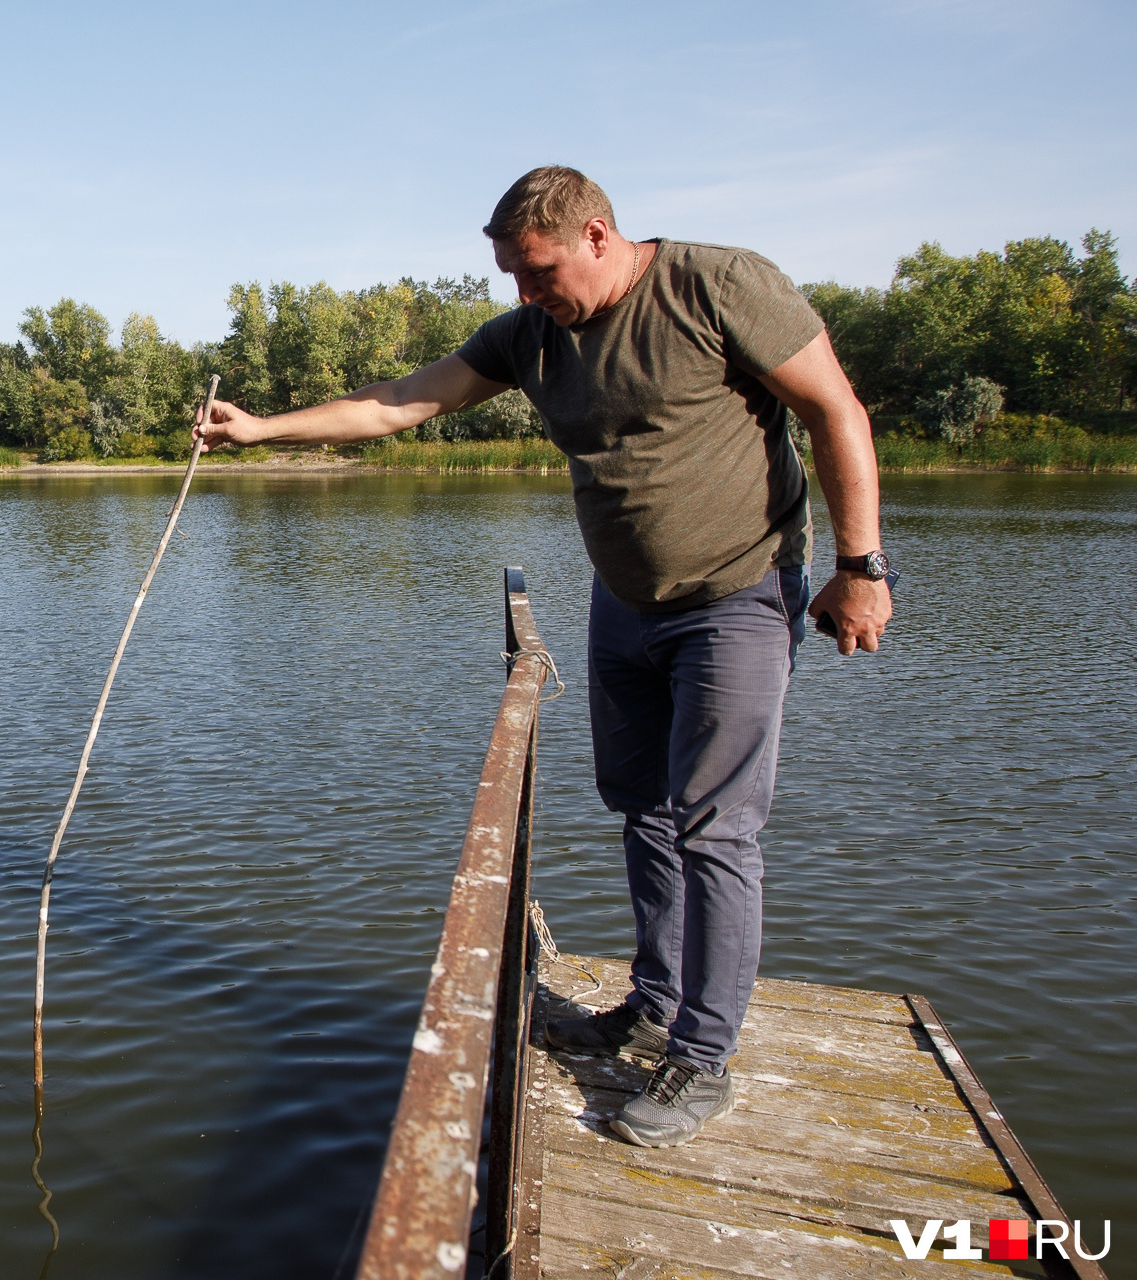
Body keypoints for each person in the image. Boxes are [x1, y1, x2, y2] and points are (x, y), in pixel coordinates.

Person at [194, 165, 894, 1149]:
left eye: (539, 270)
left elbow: (837, 411)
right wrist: (261, 430)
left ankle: (702, 1054)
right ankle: (654, 1000)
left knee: (716, 828)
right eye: (510, 276)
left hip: (736, 597)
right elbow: (401, 402)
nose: (526, 294)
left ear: (599, 235)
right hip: (626, 606)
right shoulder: (530, 336)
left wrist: (862, 565)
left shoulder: (715, 285)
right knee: (643, 809)